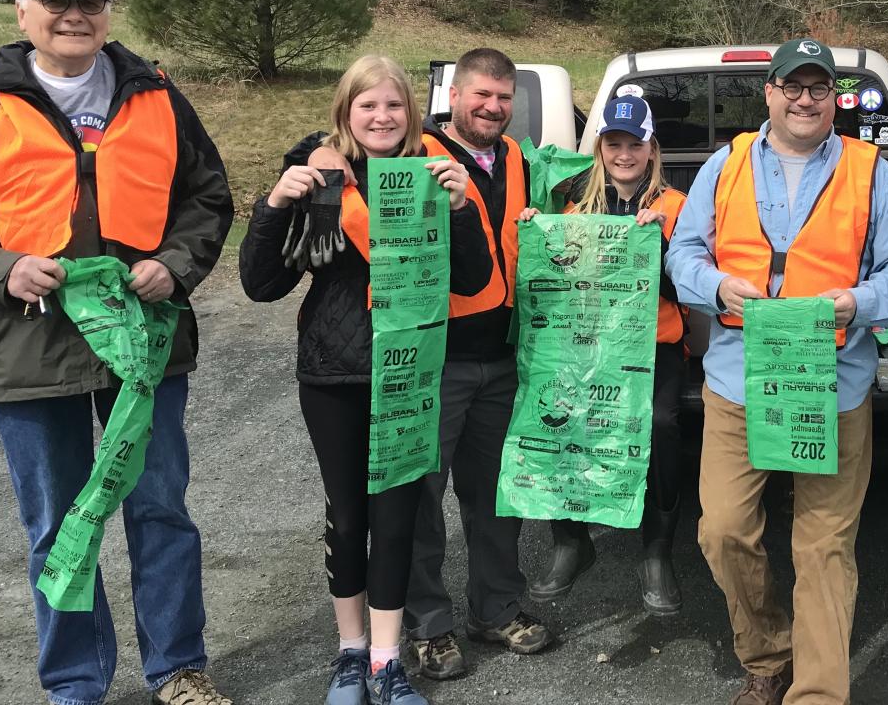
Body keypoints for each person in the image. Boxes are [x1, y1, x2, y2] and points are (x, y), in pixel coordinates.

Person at [0, 0, 235, 705]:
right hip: (29, 350)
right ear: (22, 12)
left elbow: (208, 198)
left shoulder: (158, 94)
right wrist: (1, 270)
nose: (74, 16)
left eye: (89, 3)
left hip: (145, 344)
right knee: (54, 524)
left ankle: (178, 667)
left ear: (109, 13)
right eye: (57, 3)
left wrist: (175, 264)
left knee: (160, 507)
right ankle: (75, 682)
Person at [668, 38, 888, 705]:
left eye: (818, 88)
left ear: (834, 98)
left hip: (833, 386)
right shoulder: (724, 165)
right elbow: (683, 253)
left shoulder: (871, 170)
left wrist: (859, 301)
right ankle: (766, 651)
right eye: (793, 85)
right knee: (722, 530)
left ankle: (816, 693)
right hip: (737, 380)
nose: (805, 98)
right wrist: (718, 287)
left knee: (824, 547)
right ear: (770, 93)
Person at [241, 55, 495, 705]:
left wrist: (463, 207)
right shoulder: (318, 172)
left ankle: (388, 661)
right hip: (333, 373)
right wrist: (275, 203)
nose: (381, 117)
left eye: (393, 106)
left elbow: (470, 281)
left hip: (408, 372)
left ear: (410, 113)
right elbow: (260, 284)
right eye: (367, 106)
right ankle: (350, 654)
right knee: (349, 515)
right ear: (345, 113)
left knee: (399, 516)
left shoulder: (435, 175)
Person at [307, 47, 552, 681]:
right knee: (417, 496)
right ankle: (427, 625)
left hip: (501, 353)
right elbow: (343, 141)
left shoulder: (519, 158)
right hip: (432, 354)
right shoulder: (418, 153)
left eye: (503, 97)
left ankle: (496, 607)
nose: (493, 107)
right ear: (453, 97)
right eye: (481, 95)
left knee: (494, 496)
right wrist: (319, 155)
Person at [521, 95, 689, 616]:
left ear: (651, 147)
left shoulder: (676, 206)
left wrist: (656, 249)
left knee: (660, 423)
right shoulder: (573, 206)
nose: (623, 153)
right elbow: (555, 279)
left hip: (654, 346)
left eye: (633, 143)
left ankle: (657, 548)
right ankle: (571, 539)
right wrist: (536, 231)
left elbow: (688, 288)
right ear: (600, 149)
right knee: (556, 416)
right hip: (587, 347)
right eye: (613, 144)